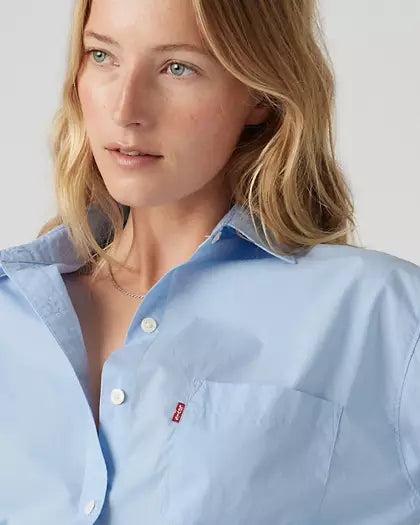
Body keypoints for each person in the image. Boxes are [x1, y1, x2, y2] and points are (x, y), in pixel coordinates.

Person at [1, 0, 420, 523]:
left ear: (259, 94)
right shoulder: (11, 315)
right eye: (102, 56)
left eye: (177, 67)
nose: (126, 108)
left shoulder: (381, 316)